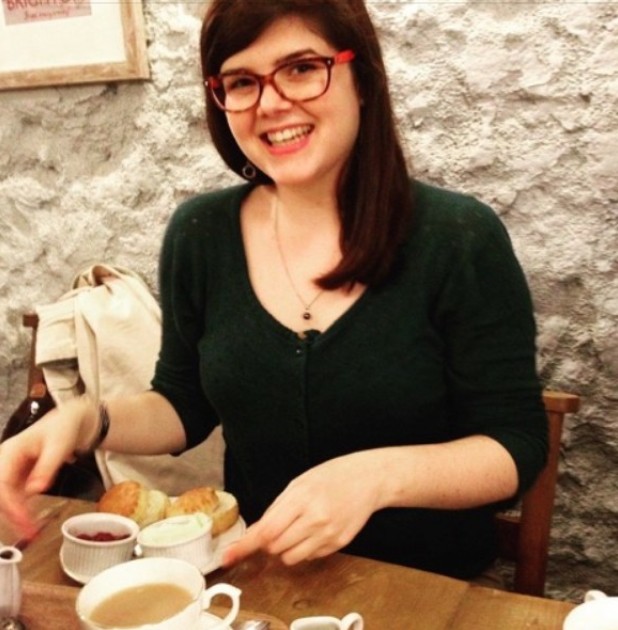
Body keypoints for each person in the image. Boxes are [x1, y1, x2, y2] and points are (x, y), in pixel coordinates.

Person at [0, 0, 547, 581]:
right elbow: (183, 405)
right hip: (262, 580)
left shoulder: (458, 238)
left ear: (362, 78)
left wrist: (373, 479)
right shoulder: (201, 234)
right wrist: (85, 420)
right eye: (242, 81)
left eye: (302, 68)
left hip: (428, 590)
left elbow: (515, 443)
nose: (270, 103)